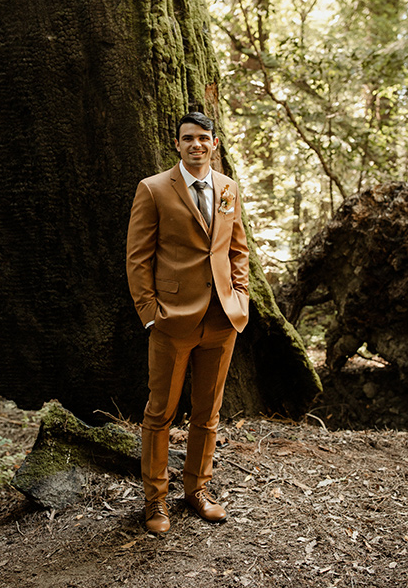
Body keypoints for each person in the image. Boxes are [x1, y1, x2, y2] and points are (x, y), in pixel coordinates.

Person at [126, 111, 249, 534]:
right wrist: (149, 315)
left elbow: (238, 249)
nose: (196, 144)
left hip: (222, 318)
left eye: (203, 138)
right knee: (159, 413)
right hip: (171, 321)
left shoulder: (228, 188)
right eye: (188, 138)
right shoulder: (154, 188)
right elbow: (138, 257)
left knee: (207, 413)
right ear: (176, 144)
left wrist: (241, 298)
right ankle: (155, 501)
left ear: (214, 143)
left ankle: (197, 489)